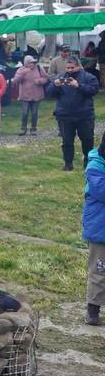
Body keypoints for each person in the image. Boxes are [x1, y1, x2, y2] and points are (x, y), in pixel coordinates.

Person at [48, 56, 100, 171]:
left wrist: (79, 86)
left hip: (84, 115)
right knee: (66, 141)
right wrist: (54, 85)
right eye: (67, 68)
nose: (70, 70)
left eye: (72, 67)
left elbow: (94, 90)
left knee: (87, 140)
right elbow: (48, 93)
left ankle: (88, 162)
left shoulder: (88, 77)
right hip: (65, 115)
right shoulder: (61, 77)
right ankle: (68, 163)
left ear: (78, 66)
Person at [84, 135, 105, 325]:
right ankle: (93, 309)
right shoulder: (95, 167)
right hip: (101, 230)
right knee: (99, 271)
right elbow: (101, 191)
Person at [12, 55, 49, 136]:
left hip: (37, 95)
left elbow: (46, 78)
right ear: (26, 63)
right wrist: (22, 73)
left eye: (33, 63)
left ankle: (33, 129)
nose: (32, 64)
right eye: (30, 63)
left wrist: (40, 81)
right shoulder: (21, 70)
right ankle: (23, 128)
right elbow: (15, 81)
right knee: (25, 113)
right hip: (25, 95)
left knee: (34, 113)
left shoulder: (39, 68)